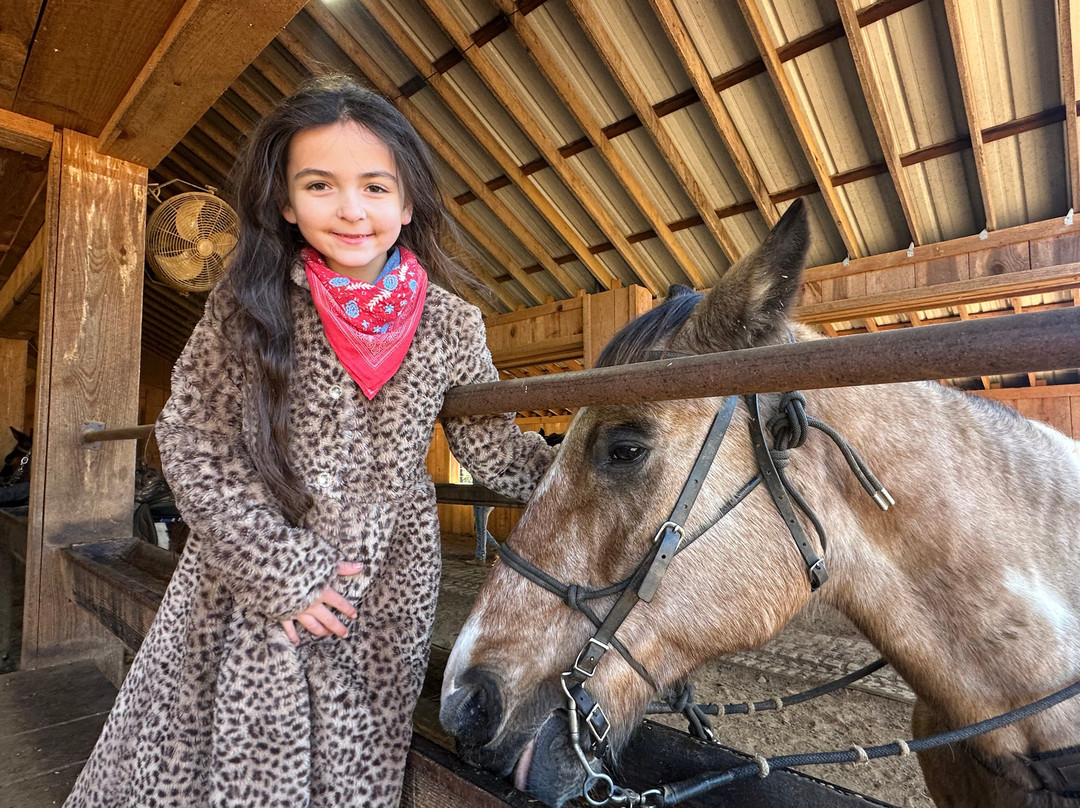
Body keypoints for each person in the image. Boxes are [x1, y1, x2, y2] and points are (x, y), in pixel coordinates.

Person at [65, 75, 555, 808]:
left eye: (375, 187)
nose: (352, 209)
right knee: (234, 766)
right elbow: (193, 438)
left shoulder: (451, 323)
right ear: (286, 203)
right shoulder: (247, 303)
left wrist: (606, 476)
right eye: (320, 185)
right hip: (253, 582)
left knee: (352, 772)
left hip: (384, 595)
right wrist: (278, 570)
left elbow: (495, 448)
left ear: (408, 202)